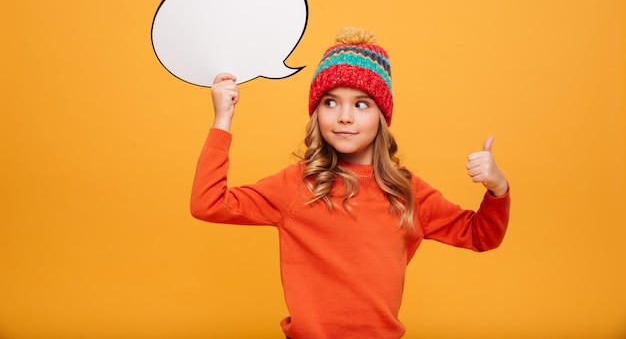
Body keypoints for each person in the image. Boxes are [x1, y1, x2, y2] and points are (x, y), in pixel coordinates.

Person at [190, 26, 510, 339]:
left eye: (361, 104)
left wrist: (498, 188)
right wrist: (222, 120)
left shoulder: (408, 192)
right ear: (317, 113)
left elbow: (481, 236)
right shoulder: (297, 185)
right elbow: (209, 204)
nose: (344, 116)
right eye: (330, 102)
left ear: (382, 116)